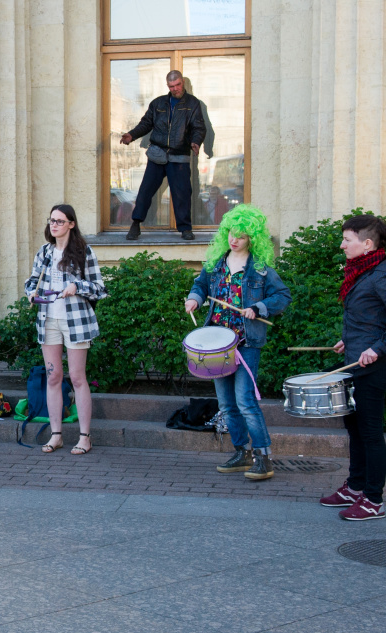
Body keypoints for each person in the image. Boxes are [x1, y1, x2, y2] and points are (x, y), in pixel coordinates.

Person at [319, 215, 386, 520]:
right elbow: (371, 319)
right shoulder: (363, 273)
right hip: (354, 364)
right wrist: (348, 340)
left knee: (371, 434)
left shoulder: (381, 277)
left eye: (347, 240)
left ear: (367, 244)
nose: (342, 245)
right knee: (355, 430)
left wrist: (377, 348)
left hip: (372, 371)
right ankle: (356, 486)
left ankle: (374, 500)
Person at [185, 204, 292, 480]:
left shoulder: (260, 270)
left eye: (241, 236)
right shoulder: (215, 264)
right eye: (231, 233)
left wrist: (258, 307)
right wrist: (194, 298)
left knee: (245, 401)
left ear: (252, 239)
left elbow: (282, 297)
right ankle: (241, 452)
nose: (235, 239)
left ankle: (264, 458)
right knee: (226, 404)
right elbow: (200, 286)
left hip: (245, 342)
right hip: (217, 344)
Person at [23, 204, 107, 455]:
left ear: (71, 224)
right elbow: (30, 281)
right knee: (53, 377)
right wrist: (31, 293)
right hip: (48, 320)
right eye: (51, 220)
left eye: (60, 221)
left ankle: (84, 437)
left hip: (76, 321)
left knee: (78, 378)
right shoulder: (45, 252)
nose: (54, 225)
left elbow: (100, 288)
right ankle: (56, 435)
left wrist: (76, 286)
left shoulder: (84, 251)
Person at [121, 70, 206, 241]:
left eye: (178, 85)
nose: (175, 89)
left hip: (179, 156)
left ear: (183, 83)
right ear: (167, 86)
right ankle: (135, 224)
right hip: (157, 154)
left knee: (182, 194)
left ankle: (185, 229)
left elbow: (199, 127)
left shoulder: (193, 103)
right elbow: (145, 124)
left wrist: (196, 141)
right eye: (171, 86)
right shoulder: (158, 103)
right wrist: (132, 135)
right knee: (145, 191)